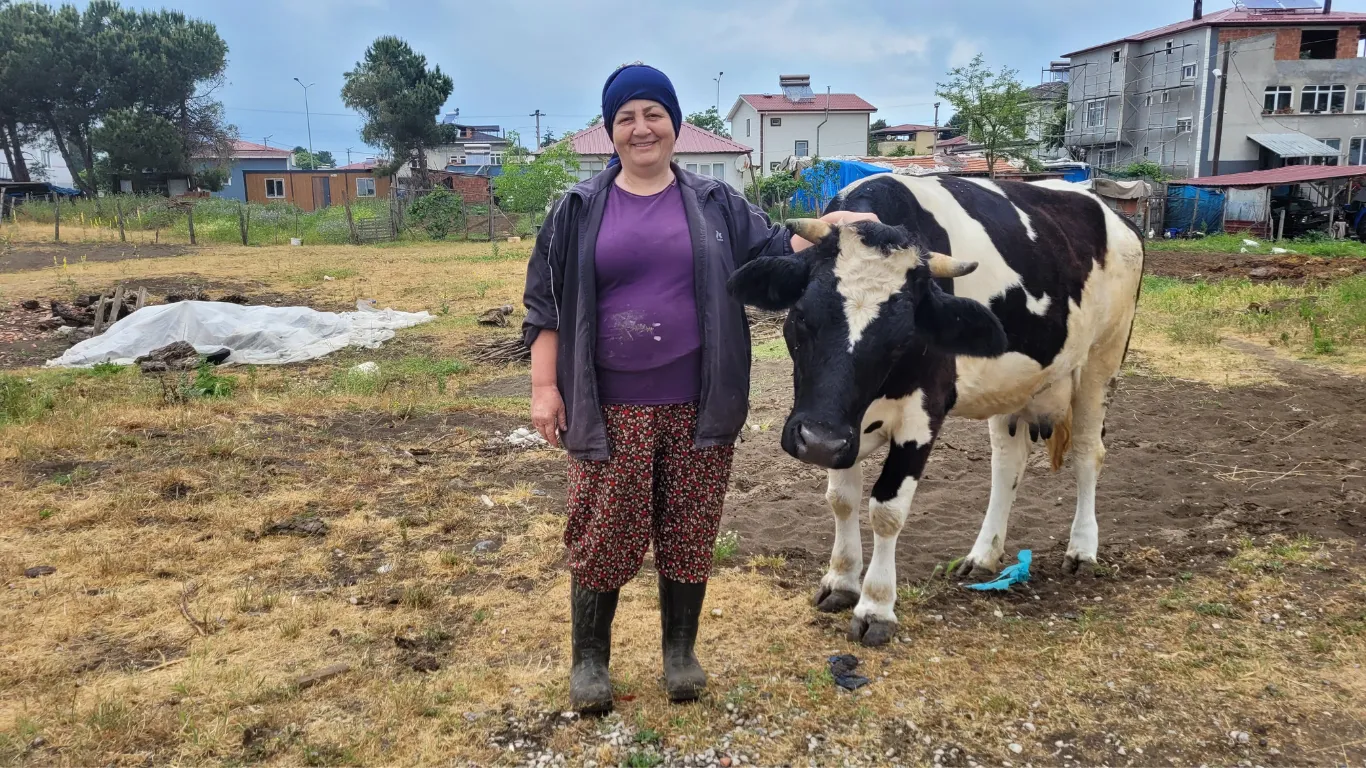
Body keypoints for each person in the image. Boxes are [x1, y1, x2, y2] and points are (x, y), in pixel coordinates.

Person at [522, 62, 874, 714]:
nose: (641, 127)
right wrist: (546, 388)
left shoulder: (717, 205)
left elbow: (776, 246)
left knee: (688, 527)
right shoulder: (576, 210)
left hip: (698, 401)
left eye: (653, 113)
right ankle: (589, 661)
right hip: (611, 406)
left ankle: (680, 654)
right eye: (626, 117)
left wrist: (835, 226)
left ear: (675, 125)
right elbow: (544, 308)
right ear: (610, 131)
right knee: (603, 531)